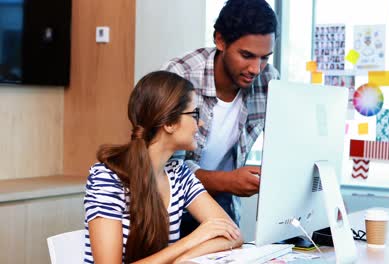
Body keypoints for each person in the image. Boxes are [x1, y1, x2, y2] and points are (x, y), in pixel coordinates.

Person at [83, 71, 243, 264]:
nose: (200, 123)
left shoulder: (179, 173)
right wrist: (191, 241)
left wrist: (182, 259)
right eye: (194, 114)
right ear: (169, 123)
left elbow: (233, 234)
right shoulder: (107, 178)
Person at [160, 0, 279, 236]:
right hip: (169, 203)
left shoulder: (268, 80)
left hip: (221, 201)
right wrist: (227, 181)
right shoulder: (179, 76)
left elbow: (285, 142)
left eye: (265, 57)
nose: (256, 68)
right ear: (220, 40)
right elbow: (165, 166)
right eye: (247, 55)